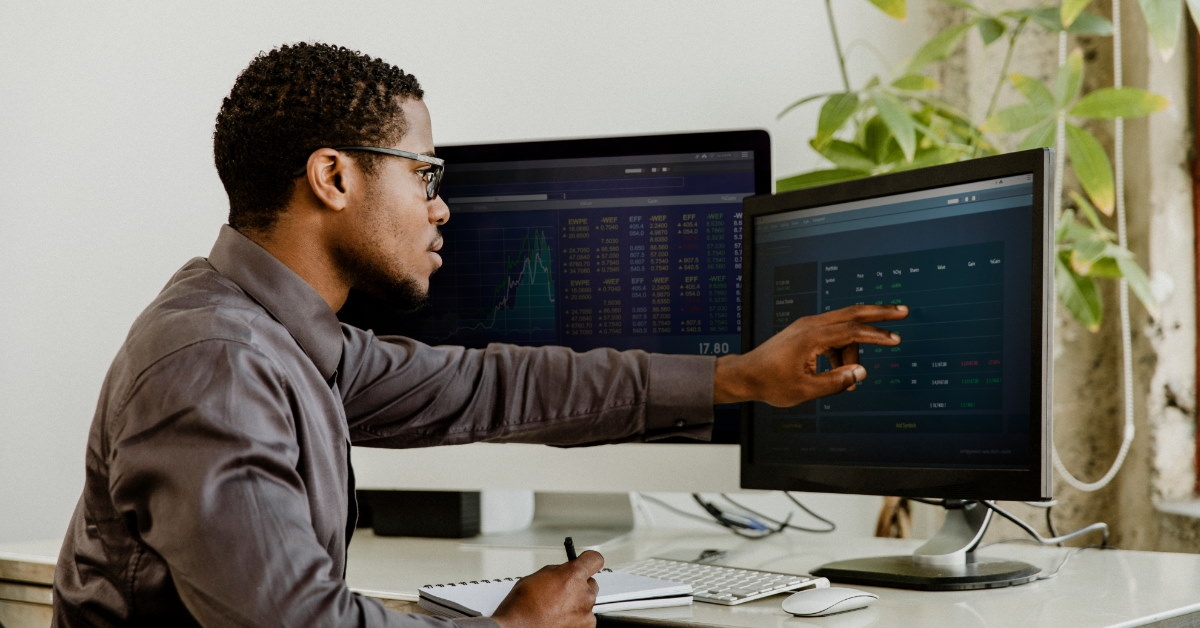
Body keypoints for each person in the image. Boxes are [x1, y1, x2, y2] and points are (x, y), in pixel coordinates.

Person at [52, 42, 908, 627]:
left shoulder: (278, 339)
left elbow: (489, 385)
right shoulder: (218, 363)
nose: (441, 205)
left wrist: (737, 379)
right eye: (424, 173)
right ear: (334, 175)